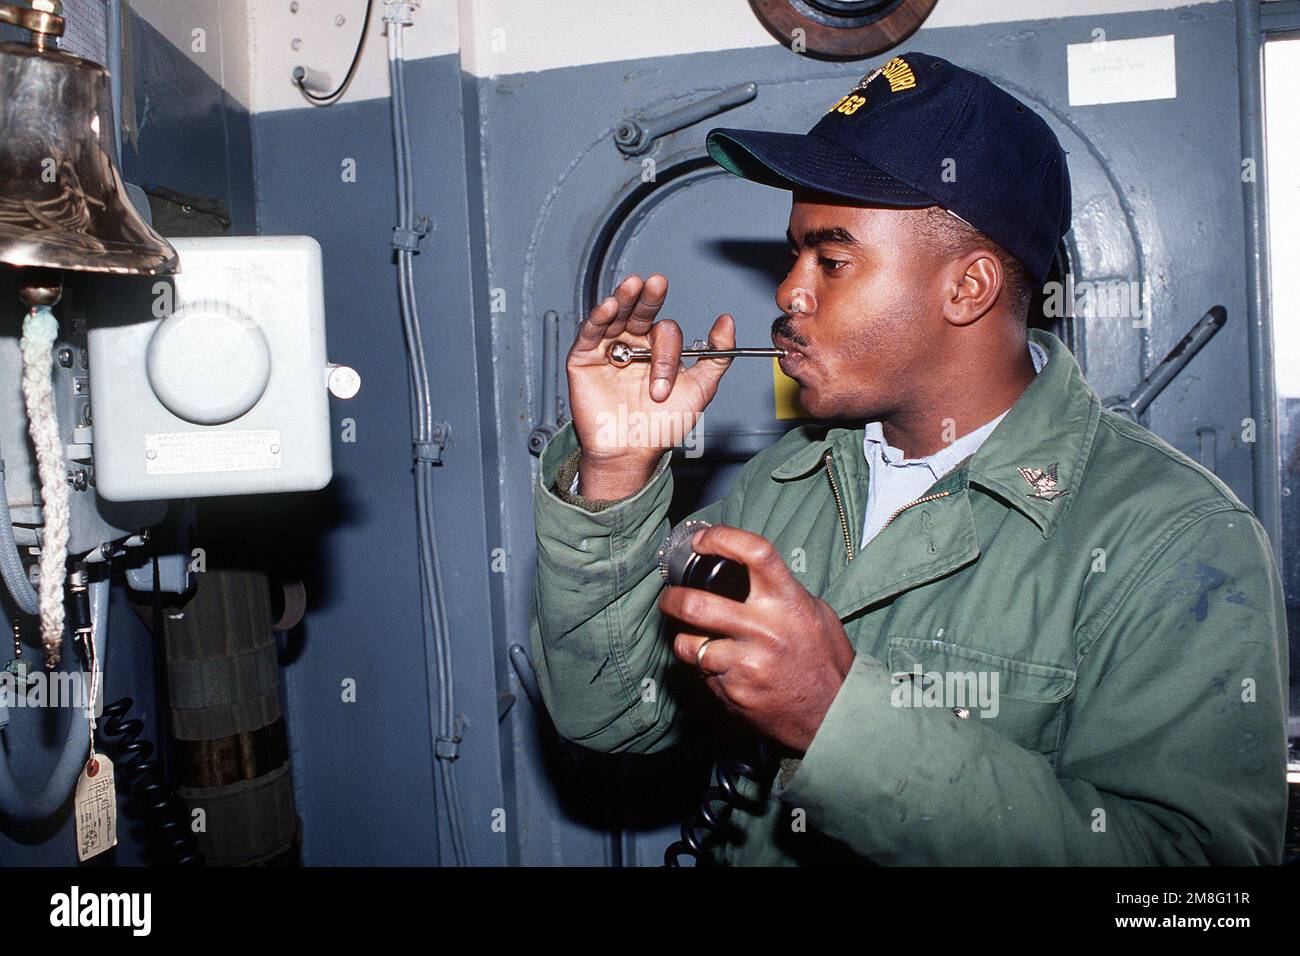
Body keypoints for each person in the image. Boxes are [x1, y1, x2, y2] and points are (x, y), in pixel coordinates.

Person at [529, 52, 1289, 865]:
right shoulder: (785, 486)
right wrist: (614, 477)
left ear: (968, 288)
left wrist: (838, 723)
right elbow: (612, 713)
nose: (789, 291)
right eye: (794, 256)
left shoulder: (1172, 537)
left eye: (831, 259)